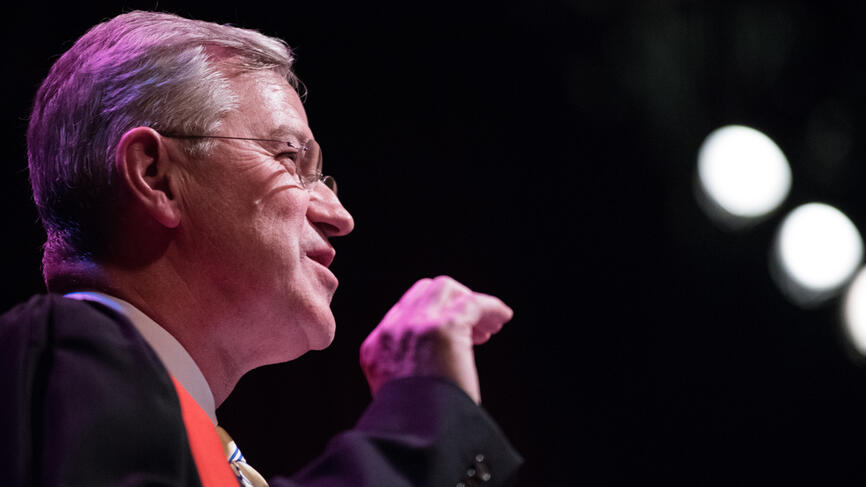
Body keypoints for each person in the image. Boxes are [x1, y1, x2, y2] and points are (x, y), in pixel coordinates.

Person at [0, 10, 521, 487]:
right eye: (290, 158)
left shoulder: (149, 419)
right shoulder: (57, 357)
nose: (340, 217)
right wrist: (423, 418)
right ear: (155, 176)